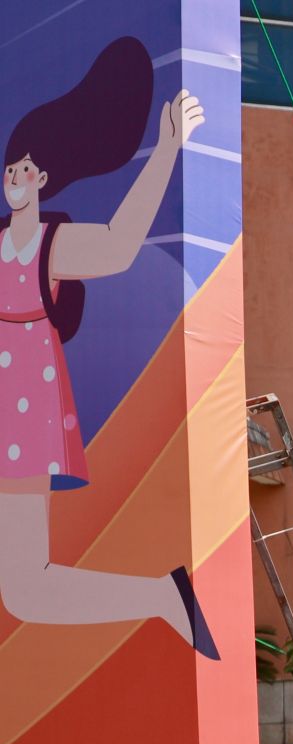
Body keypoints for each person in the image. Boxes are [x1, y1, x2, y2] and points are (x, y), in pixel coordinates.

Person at [0, 37, 215, 658]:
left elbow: (120, 244)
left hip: (20, 414)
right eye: (9, 169)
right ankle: (162, 597)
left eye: (23, 170)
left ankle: (163, 597)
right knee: (24, 589)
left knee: (25, 590)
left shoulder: (49, 245)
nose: (14, 178)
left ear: (43, 178)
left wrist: (167, 149)